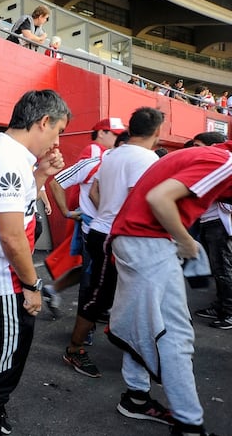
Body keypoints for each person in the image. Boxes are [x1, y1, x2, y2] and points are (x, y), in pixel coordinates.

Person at [106, 141, 232, 436]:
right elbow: (159, 198)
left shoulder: (213, 155)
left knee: (142, 325)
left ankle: (136, 397)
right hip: (147, 242)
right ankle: (189, 425)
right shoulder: (224, 162)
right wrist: (186, 242)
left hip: (133, 240)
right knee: (175, 336)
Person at [0, 90, 68, 436]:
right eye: (58, 132)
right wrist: (31, 286)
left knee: (8, 352)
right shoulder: (7, 158)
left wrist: (40, 176)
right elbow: (11, 236)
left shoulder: (10, 155)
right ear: (43, 122)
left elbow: (17, 208)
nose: (56, 142)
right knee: (6, 358)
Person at [63, 108, 163, 380]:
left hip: (103, 231)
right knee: (100, 296)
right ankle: (75, 349)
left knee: (113, 294)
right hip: (116, 236)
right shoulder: (146, 158)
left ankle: (129, 345)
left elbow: (96, 191)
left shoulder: (111, 155)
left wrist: (107, 212)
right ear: (157, 132)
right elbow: (138, 202)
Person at [41, 117, 123, 318]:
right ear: (101, 133)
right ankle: (85, 326)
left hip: (98, 225)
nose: (121, 140)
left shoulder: (110, 157)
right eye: (116, 134)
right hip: (93, 225)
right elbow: (60, 182)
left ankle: (56, 291)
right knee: (92, 273)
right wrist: (68, 212)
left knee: (91, 268)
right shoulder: (96, 155)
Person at [191, 132, 232, 330]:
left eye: (198, 145)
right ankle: (220, 306)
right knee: (217, 270)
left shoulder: (222, 164)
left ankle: (229, 311)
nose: (194, 149)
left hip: (219, 224)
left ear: (213, 146)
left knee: (223, 270)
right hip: (208, 222)